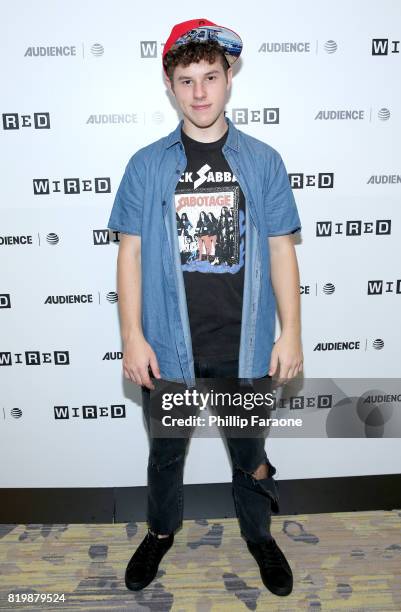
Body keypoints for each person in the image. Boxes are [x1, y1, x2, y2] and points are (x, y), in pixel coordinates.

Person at [107, 18, 303, 598]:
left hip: (243, 347)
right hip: (168, 348)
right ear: (169, 85)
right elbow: (130, 255)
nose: (199, 92)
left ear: (228, 79)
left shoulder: (263, 161)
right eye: (187, 79)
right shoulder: (146, 165)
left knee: (251, 457)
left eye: (210, 77)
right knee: (165, 458)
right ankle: (161, 533)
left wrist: (290, 332)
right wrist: (132, 337)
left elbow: (281, 252)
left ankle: (260, 536)